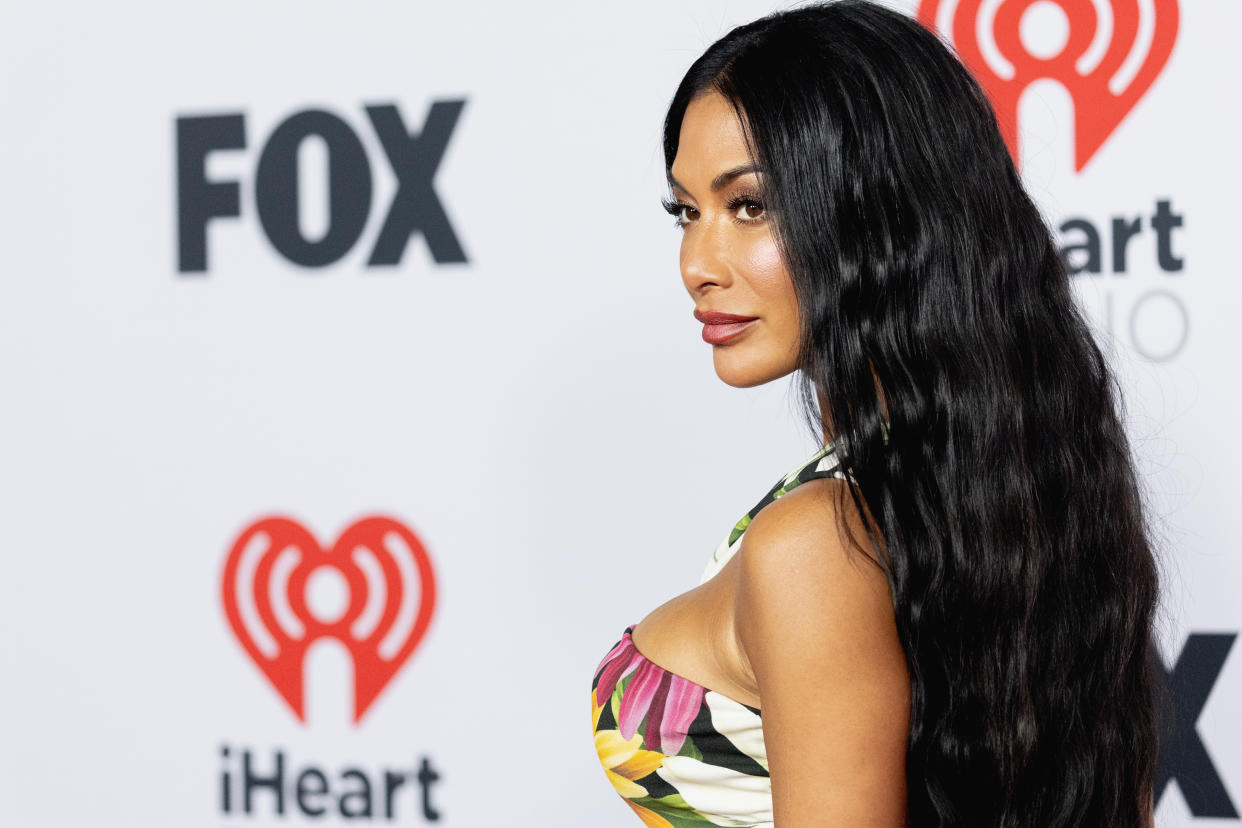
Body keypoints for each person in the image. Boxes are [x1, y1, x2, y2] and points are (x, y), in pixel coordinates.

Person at [589, 1, 1167, 826]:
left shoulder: (821, 541)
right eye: (686, 212)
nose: (697, 264)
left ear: (878, 214)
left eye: (748, 206)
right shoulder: (1033, 501)